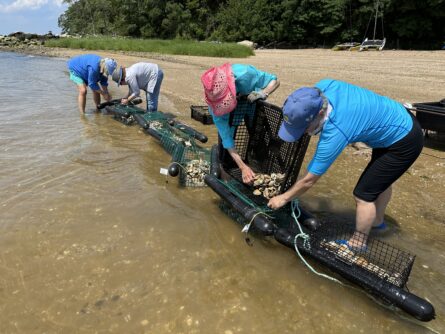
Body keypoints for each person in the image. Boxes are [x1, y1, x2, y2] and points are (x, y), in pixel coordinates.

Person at [268, 79, 423, 249]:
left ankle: (358, 243)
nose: (304, 132)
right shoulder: (322, 88)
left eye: (304, 128)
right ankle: (378, 222)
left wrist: (283, 198)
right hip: (396, 119)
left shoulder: (336, 129)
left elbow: (309, 180)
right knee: (379, 181)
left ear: (319, 114)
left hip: (404, 141)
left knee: (363, 195)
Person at [201, 63, 280, 183]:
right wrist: (242, 167)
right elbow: (227, 139)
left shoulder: (245, 74)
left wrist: (263, 93)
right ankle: (226, 169)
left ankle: (259, 169)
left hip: (252, 106)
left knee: (258, 139)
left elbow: (275, 81)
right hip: (232, 117)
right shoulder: (216, 110)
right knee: (225, 145)